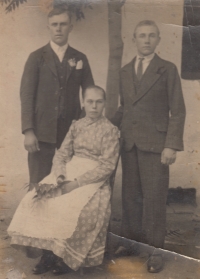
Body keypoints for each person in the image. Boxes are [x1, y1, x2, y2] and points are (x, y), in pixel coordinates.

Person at [8, 85, 119, 275]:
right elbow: (61, 155)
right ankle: (48, 255)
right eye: (90, 102)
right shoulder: (76, 126)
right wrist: (60, 175)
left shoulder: (110, 130)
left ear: (104, 104)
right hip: (69, 170)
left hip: (93, 179)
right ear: (83, 103)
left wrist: (76, 183)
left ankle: (66, 259)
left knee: (74, 207)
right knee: (39, 199)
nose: (94, 106)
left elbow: (107, 166)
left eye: (98, 102)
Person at [112, 20, 186, 273]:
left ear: (158, 40)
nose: (146, 40)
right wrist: (106, 129)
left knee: (154, 199)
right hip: (129, 143)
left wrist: (171, 145)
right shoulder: (124, 71)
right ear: (134, 39)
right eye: (141, 36)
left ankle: (156, 250)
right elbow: (125, 108)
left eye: (151, 36)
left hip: (156, 146)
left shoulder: (167, 69)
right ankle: (131, 244)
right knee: (130, 197)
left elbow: (177, 110)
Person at [21, 5, 94, 184]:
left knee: (68, 180)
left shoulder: (80, 58)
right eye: (54, 24)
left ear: (71, 27)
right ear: (49, 27)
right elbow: (27, 95)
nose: (59, 28)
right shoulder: (36, 57)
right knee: (38, 182)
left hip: (71, 131)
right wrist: (29, 131)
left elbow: (90, 93)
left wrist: (83, 124)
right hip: (41, 131)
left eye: (63, 24)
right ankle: (36, 213)